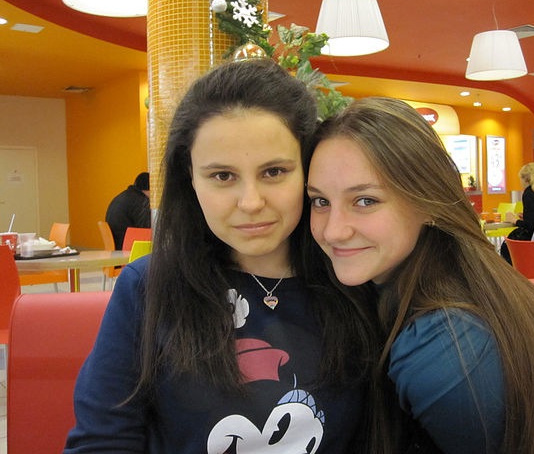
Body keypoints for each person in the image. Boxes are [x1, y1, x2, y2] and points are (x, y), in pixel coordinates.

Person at [64, 59, 378, 453]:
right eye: (223, 176)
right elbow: (102, 442)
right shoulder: (149, 287)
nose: (251, 202)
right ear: (191, 178)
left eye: (274, 172)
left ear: (307, 169)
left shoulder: (353, 276)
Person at [306, 97, 534, 454]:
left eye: (365, 201)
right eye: (320, 201)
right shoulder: (455, 277)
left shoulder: (443, 347)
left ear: (428, 202)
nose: (333, 231)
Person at [500, 162, 534, 264]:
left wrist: (514, 220)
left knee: (506, 248)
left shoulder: (529, 193)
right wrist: (525, 216)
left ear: (526, 179)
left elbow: (530, 226)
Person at [105, 172, 151, 249]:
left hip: (117, 243)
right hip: (126, 246)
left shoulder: (124, 196)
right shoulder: (140, 201)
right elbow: (147, 229)